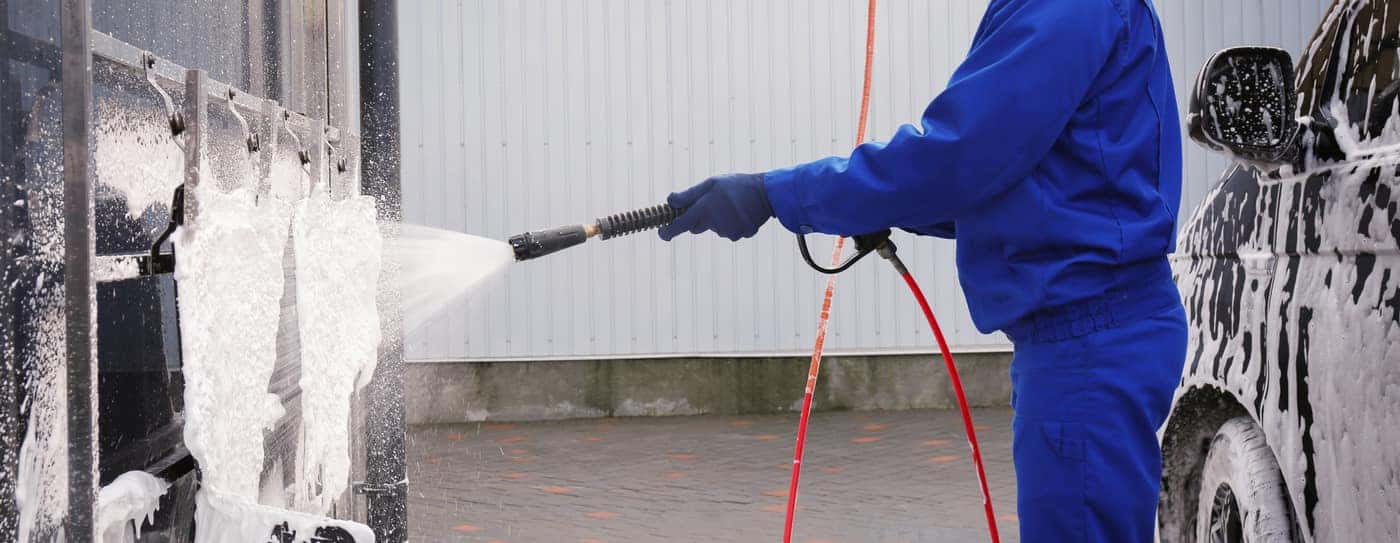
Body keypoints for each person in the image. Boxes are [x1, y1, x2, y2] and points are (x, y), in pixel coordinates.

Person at [657, 1, 1185, 541]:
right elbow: (1027, 182)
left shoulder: (1065, 6)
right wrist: (870, 204)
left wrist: (777, 193)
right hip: (1087, 334)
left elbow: (960, 159)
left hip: (1088, 341)